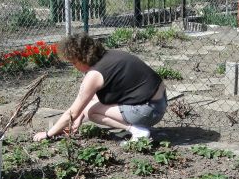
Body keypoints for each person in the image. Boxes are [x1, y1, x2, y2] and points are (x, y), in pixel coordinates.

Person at [33, 33, 167, 143]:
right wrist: (79, 117)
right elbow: (93, 99)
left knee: (92, 113)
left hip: (148, 111)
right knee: (90, 107)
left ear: (82, 58)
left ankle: (137, 131)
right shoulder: (110, 57)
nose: (74, 67)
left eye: (74, 62)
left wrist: (49, 134)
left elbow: (72, 112)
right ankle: (137, 126)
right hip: (158, 103)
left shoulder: (94, 75)